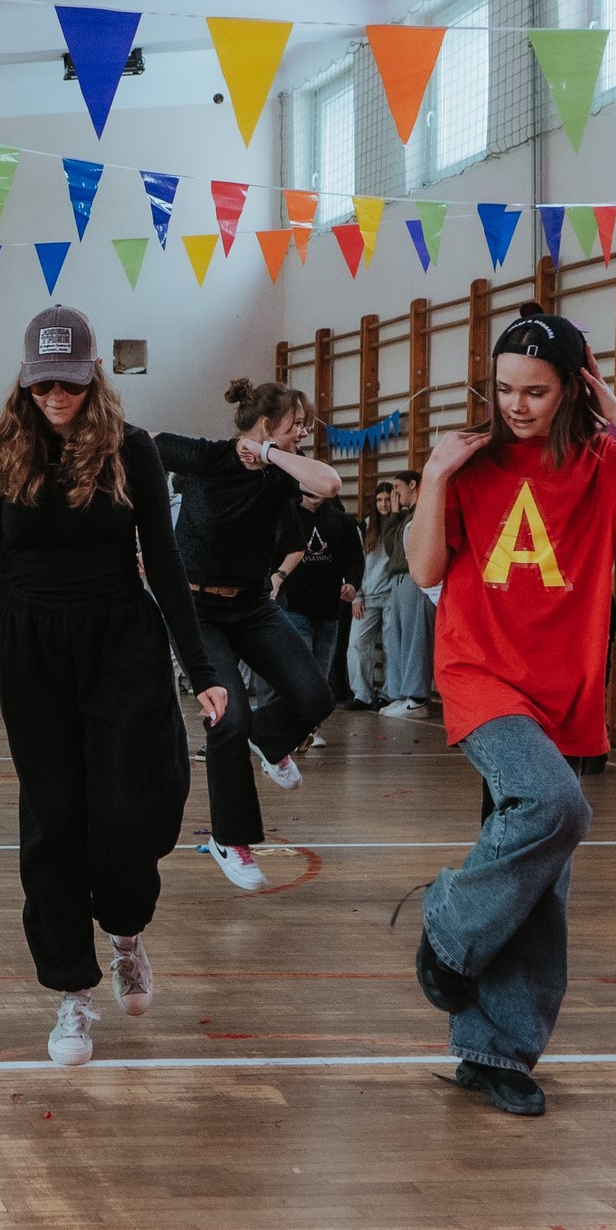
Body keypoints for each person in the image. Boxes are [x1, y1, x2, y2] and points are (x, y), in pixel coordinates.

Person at [410, 304, 616, 1116]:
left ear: (571, 388)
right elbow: (425, 569)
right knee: (556, 805)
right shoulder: (469, 462)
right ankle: (449, 928)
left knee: (542, 878)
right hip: (481, 675)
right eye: (504, 387)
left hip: (564, 693)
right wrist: (433, 478)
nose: (515, 404)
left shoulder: (605, 465)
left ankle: (494, 1051)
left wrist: (614, 409)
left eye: (535, 390)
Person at [0, 307, 227, 1066]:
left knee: (128, 807)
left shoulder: (131, 449)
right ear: (26, 380)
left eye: (68, 384)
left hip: (121, 644)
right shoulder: (0, 455)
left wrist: (201, 667)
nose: (56, 397)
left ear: (93, 374)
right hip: (33, 650)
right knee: (53, 822)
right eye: (43, 384)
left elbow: (163, 559)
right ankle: (72, 989)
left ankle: (127, 931)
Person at [156, 380, 343, 891]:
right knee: (228, 717)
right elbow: (148, 443)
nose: (303, 433)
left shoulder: (282, 474)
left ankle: (268, 738)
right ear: (266, 424)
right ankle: (231, 839)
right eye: (295, 425)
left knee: (315, 695)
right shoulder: (208, 458)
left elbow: (330, 484)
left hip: (253, 606)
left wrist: (268, 453)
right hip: (197, 609)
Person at [273, 487, 361, 704]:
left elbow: (356, 560)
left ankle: (310, 720)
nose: (313, 491)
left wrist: (352, 583)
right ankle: (293, 717)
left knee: (320, 678)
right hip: (293, 607)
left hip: (329, 611)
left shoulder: (343, 522)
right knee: (302, 672)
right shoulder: (285, 518)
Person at [380, 471, 435, 716]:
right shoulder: (405, 516)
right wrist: (393, 514)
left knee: (416, 638)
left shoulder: (423, 510)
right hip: (399, 580)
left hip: (415, 580)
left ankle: (417, 697)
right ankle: (400, 694)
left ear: (413, 484)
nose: (394, 493)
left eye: (397, 487)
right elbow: (391, 549)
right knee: (398, 639)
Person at [347, 481, 394, 709]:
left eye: (387, 499)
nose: (383, 504)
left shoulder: (400, 525)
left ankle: (388, 693)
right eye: (379, 500)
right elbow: (355, 563)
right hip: (367, 596)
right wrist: (356, 596)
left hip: (392, 595)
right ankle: (362, 695)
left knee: (391, 646)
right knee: (357, 643)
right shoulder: (364, 527)